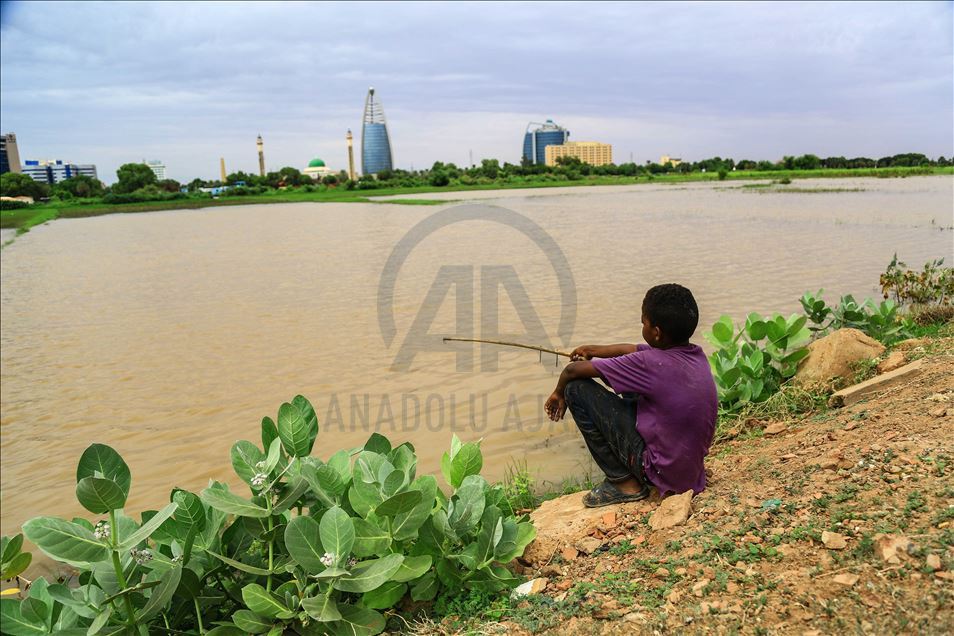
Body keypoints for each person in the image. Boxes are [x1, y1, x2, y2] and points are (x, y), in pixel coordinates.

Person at [544, 283, 717, 507]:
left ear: (656, 333)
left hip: (660, 471)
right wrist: (592, 350)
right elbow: (631, 350)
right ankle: (633, 473)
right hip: (688, 471)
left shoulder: (650, 364)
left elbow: (572, 371)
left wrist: (558, 393)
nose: (641, 324)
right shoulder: (694, 355)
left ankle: (624, 483)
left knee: (575, 389)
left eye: (643, 322)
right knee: (628, 380)